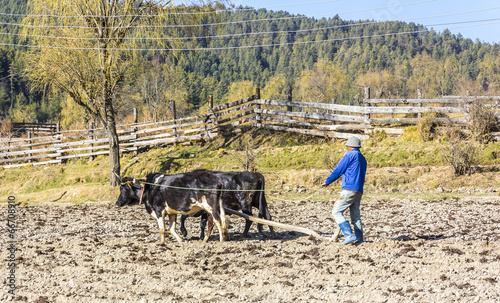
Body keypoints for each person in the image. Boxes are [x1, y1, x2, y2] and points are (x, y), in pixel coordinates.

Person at [321, 136, 367, 245]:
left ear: (350, 146)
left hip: (349, 189)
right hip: (359, 190)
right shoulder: (363, 158)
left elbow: (338, 170)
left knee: (336, 211)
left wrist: (327, 181)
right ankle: (359, 239)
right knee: (355, 216)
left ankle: (349, 235)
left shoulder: (349, 155)